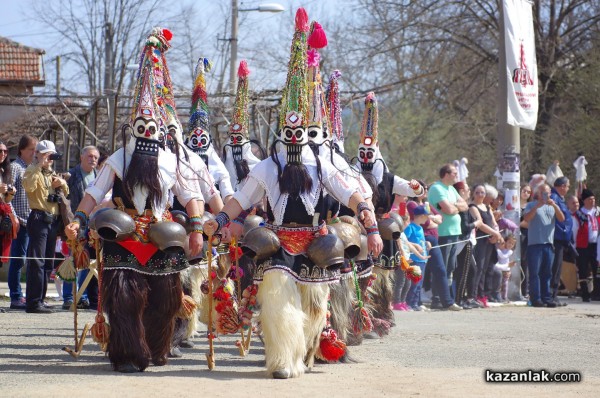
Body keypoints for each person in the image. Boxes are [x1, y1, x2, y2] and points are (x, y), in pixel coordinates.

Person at [203, 9, 380, 379]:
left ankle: (305, 351)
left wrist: (364, 211)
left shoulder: (322, 162)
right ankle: (283, 359)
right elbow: (241, 199)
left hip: (316, 242)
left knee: (315, 309)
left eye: (301, 131)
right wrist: (219, 219)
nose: (296, 138)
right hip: (279, 242)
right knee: (277, 301)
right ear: (283, 129)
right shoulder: (268, 166)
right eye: (290, 131)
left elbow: (346, 189)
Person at [66, 27, 205, 373]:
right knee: (125, 298)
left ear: (159, 130)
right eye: (140, 127)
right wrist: (80, 220)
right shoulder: (118, 158)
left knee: (164, 299)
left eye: (151, 128)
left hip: (161, 236)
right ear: (132, 128)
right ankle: (127, 352)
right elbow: (94, 193)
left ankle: (156, 348)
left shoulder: (172, 161)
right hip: (123, 234)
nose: (145, 134)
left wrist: (198, 228)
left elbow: (191, 197)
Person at [23, 140, 69, 313]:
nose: (50, 159)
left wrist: (62, 184)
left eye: (52, 155)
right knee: (37, 262)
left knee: (48, 263)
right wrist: (38, 164)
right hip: (38, 218)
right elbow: (29, 187)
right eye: (47, 155)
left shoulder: (52, 173)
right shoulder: (31, 170)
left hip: (52, 221)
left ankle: (40, 299)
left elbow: (66, 194)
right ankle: (33, 302)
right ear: (39, 154)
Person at [62, 146, 100, 310]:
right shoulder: (71, 175)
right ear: (81, 157)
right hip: (76, 223)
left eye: (96, 157)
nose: (93, 159)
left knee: (88, 262)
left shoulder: (99, 177)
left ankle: (83, 296)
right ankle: (69, 297)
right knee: (72, 260)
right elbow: (66, 202)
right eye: (90, 156)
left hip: (93, 225)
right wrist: (71, 222)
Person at [427, 163, 469, 301]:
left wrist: (454, 206)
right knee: (441, 267)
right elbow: (448, 210)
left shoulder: (451, 189)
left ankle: (447, 296)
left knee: (450, 267)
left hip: (454, 233)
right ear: (446, 174)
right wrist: (455, 207)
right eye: (454, 173)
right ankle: (437, 297)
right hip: (443, 233)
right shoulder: (436, 188)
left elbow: (465, 206)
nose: (456, 175)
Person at [7, 134, 38, 309]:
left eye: (36, 149)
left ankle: (28, 295)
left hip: (32, 221)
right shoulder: (16, 168)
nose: (34, 153)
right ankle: (16, 296)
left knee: (30, 261)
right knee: (18, 260)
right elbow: (7, 196)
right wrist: (13, 217)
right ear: (21, 150)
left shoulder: (32, 168)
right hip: (20, 221)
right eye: (31, 149)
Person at [523, 183, 565, 307]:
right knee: (535, 273)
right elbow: (526, 218)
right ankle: (536, 298)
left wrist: (555, 206)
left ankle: (546, 297)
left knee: (547, 273)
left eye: (546, 192)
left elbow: (562, 219)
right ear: (538, 194)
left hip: (549, 244)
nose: (544, 195)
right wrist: (537, 206)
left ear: (550, 193)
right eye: (542, 192)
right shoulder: (531, 205)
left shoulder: (553, 206)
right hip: (535, 244)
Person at [469, 184, 503, 306]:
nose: (480, 195)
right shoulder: (472, 207)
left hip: (488, 241)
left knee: (484, 269)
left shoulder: (487, 206)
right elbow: (480, 224)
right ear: (473, 193)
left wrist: (496, 235)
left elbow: (494, 223)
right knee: (477, 269)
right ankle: (472, 295)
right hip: (479, 241)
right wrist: (494, 233)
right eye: (477, 192)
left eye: (482, 193)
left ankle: (481, 295)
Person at [549, 176, 573, 306]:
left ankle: (554, 296)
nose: (568, 189)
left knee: (557, 269)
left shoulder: (559, 199)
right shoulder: (554, 198)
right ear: (562, 186)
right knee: (554, 269)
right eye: (568, 186)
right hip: (556, 238)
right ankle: (551, 296)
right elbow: (557, 220)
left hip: (561, 239)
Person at [572, 189, 599, 302]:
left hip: (596, 246)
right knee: (583, 270)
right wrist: (574, 247)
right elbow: (574, 231)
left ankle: (597, 293)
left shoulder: (597, 212)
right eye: (589, 199)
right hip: (583, 246)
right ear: (584, 200)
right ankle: (585, 294)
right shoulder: (578, 214)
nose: (592, 201)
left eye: (593, 199)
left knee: (596, 269)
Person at [0, 140, 18, 266]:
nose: (3, 154)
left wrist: (10, 194)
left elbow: (5, 200)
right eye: (0, 151)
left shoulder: (4, 171)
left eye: (5, 151)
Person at [492, 234, 517, 302]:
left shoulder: (510, 251)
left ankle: (505, 297)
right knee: (499, 284)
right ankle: (498, 296)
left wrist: (497, 250)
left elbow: (503, 256)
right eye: (509, 242)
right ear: (505, 241)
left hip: (506, 269)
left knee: (505, 284)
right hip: (500, 268)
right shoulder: (502, 248)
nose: (510, 245)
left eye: (512, 244)